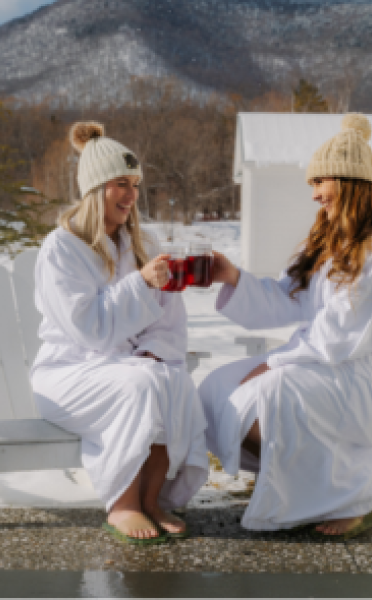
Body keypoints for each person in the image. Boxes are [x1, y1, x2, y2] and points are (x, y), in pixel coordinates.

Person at [198, 113, 372, 536]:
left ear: (349, 180)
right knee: (217, 386)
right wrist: (231, 277)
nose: (315, 195)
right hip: (322, 360)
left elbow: (347, 329)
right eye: (312, 185)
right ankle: (306, 485)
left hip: (366, 373)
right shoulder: (327, 239)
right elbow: (289, 299)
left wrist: (276, 363)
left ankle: (344, 497)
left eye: (320, 182)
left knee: (272, 391)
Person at [30, 122, 209, 544]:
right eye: (120, 184)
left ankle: (151, 499)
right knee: (141, 384)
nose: (131, 195)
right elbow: (88, 329)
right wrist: (142, 284)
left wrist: (152, 352)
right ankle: (122, 502)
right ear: (95, 189)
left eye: (135, 185)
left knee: (173, 380)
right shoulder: (62, 247)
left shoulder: (140, 242)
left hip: (127, 366)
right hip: (69, 373)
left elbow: (168, 321)